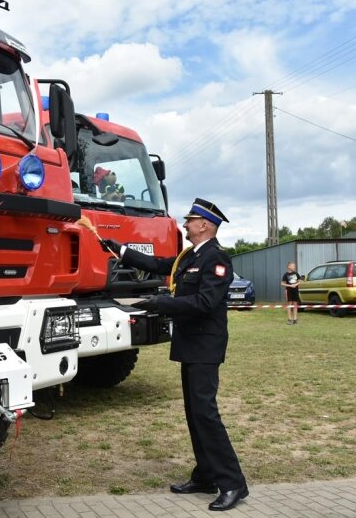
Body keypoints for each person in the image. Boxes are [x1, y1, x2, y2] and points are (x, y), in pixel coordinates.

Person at [102, 198, 248, 512]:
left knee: (206, 414)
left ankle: (233, 482)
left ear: (205, 225)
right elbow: (159, 265)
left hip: (205, 347)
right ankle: (206, 475)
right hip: (190, 346)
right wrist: (121, 251)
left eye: (190, 220)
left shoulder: (217, 259)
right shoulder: (190, 255)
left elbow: (206, 302)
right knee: (195, 414)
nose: (185, 224)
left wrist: (160, 303)